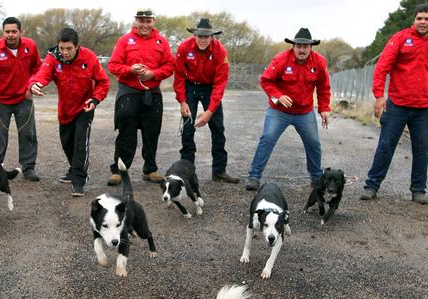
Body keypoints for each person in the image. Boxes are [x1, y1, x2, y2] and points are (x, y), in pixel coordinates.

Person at [361, 4, 428, 205]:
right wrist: (379, 96)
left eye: (427, 19)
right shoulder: (400, 38)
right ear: (414, 20)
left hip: (424, 109)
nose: (423, 22)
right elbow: (382, 67)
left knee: (421, 151)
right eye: (419, 18)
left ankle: (418, 190)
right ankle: (372, 186)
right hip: (397, 106)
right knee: (385, 146)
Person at [245, 28, 330, 191]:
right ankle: (254, 176)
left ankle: (316, 178)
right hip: (279, 111)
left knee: (314, 143)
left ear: (311, 47)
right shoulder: (281, 59)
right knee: (267, 138)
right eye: (298, 46)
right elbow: (266, 81)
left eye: (306, 47)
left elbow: (323, 87)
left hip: (304, 112)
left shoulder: (319, 62)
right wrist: (278, 96)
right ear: (293, 46)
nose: (302, 50)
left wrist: (324, 108)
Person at [29, 28, 110, 197]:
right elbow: (42, 75)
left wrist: (95, 99)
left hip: (85, 107)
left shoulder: (89, 57)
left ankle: (78, 180)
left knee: (80, 142)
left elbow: (103, 82)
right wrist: (35, 84)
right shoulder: (53, 58)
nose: (64, 52)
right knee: (67, 142)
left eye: (69, 49)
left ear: (77, 46)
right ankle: (73, 168)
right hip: (65, 109)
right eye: (62, 48)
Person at [107, 9, 175, 185]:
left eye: (148, 21)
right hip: (129, 91)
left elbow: (170, 65)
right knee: (126, 133)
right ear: (136, 21)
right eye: (141, 20)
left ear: (154, 22)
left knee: (152, 132)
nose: (144, 24)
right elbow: (113, 65)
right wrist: (130, 70)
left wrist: (153, 74)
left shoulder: (162, 42)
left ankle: (150, 169)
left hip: (152, 93)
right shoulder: (124, 41)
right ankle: (119, 170)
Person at [0, 17, 42, 180]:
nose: (10, 35)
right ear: (3, 32)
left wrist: (31, 86)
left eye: (14, 31)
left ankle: (28, 168)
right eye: (7, 31)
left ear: (21, 32)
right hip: (1, 101)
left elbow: (38, 68)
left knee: (28, 133)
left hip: (24, 99)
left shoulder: (30, 46)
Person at [174, 18, 238, 183]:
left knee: (218, 129)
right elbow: (179, 76)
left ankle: (219, 171)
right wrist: (182, 101)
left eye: (206, 37)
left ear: (212, 37)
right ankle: (186, 171)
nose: (202, 40)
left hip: (210, 88)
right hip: (190, 87)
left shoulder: (220, 52)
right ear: (194, 35)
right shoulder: (184, 47)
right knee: (188, 129)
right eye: (199, 36)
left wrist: (210, 111)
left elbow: (220, 84)